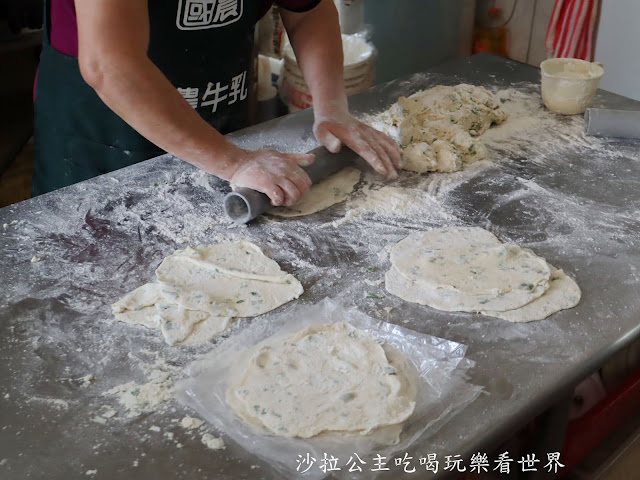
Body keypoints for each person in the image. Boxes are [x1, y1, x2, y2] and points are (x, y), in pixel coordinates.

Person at [32, 0, 401, 206]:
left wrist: (332, 107)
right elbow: (112, 65)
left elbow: (307, 12)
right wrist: (232, 160)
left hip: (219, 117)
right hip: (100, 141)